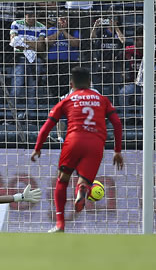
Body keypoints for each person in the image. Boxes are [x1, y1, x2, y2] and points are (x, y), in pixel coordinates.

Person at [31, 66, 124, 233]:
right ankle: (82, 189)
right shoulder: (102, 99)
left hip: (73, 141)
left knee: (62, 179)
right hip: (95, 143)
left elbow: (46, 127)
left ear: (71, 83)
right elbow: (117, 123)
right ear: (89, 82)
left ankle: (60, 223)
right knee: (84, 182)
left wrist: (38, 148)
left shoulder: (67, 100)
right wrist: (117, 151)